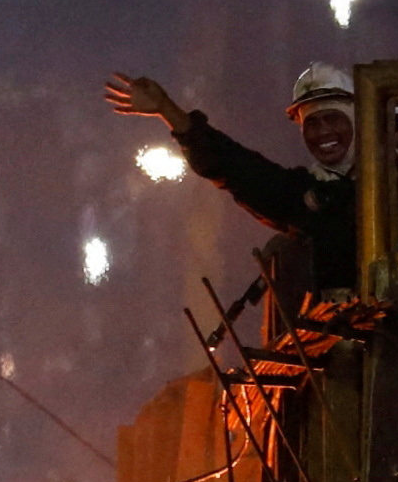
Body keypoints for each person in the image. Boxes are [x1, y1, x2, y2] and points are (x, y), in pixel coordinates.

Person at [104, 60, 361, 302]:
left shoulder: (393, 183)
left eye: (334, 118)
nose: (323, 131)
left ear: (356, 118)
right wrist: (168, 110)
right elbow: (237, 167)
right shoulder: (305, 196)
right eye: (312, 123)